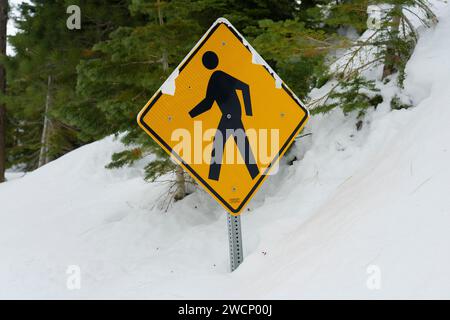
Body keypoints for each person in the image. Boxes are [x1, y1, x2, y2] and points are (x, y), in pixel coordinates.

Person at [189, 51, 260, 181]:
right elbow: (208, 103)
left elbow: (245, 87)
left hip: (230, 115)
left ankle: (214, 178)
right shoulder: (217, 76)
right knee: (239, 145)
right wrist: (190, 114)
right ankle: (254, 174)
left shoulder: (217, 76)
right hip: (231, 114)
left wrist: (249, 112)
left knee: (220, 145)